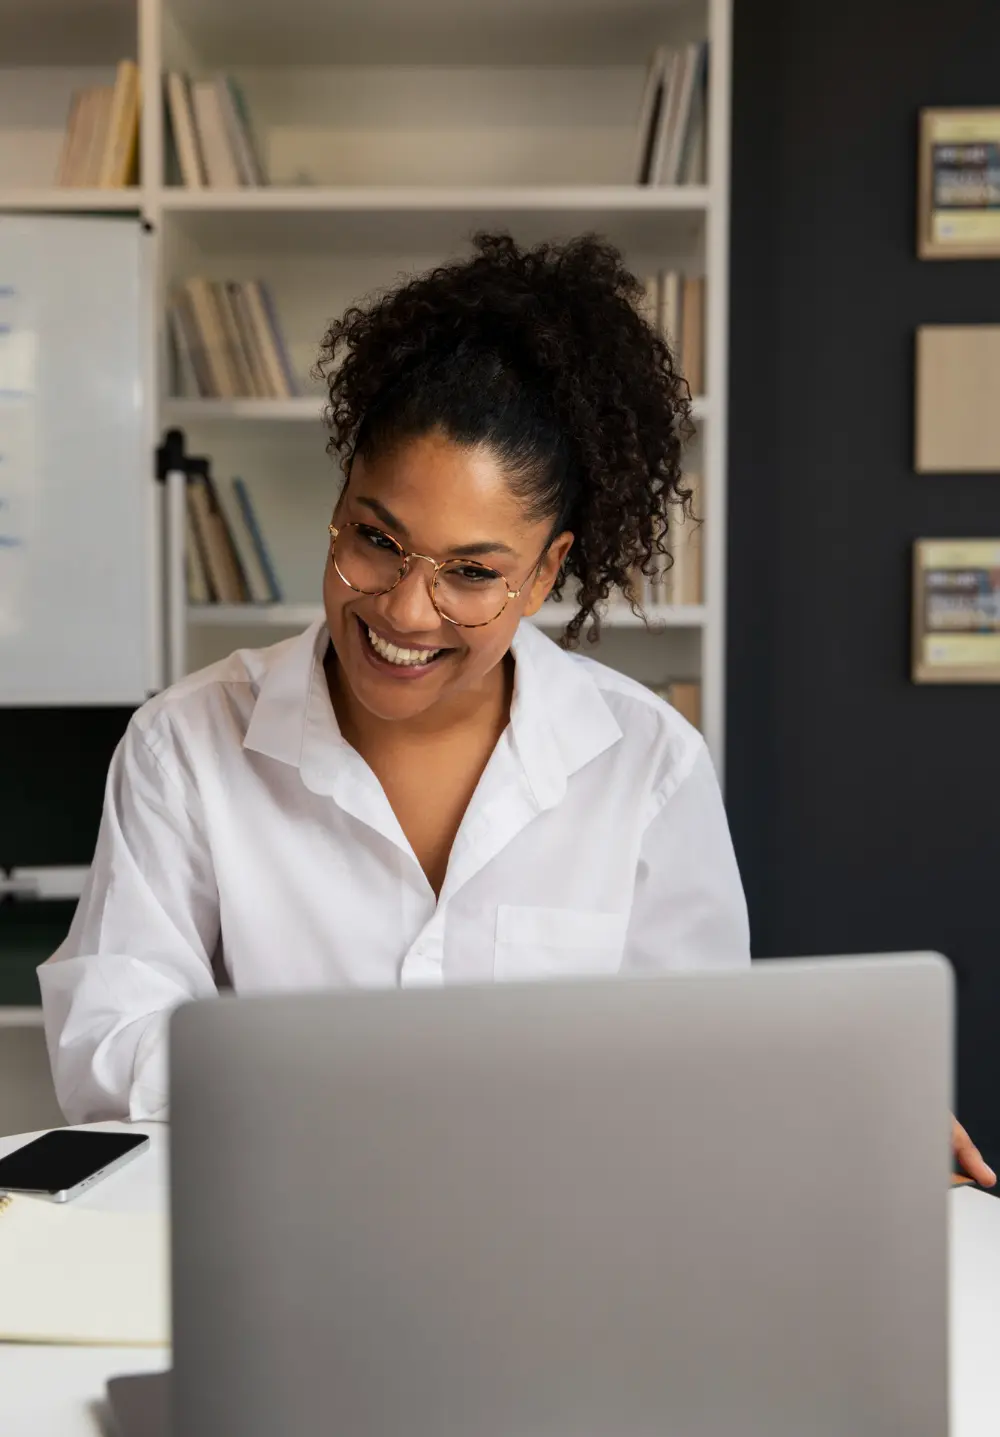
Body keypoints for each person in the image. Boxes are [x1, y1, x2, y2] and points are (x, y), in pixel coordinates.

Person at [38, 233, 994, 1191]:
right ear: (338, 506)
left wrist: (834, 1107)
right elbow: (109, 1043)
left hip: (565, 1250)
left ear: (543, 572)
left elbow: (697, 1059)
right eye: (378, 540)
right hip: (280, 1226)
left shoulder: (645, 763)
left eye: (473, 571)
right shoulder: (184, 743)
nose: (407, 610)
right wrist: (389, 1097)